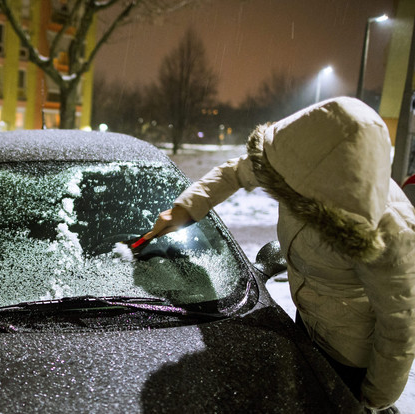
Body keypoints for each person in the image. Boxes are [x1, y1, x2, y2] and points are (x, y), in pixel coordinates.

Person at [144, 97, 415, 412]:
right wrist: (186, 208)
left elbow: (401, 325)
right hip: (307, 324)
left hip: (350, 356)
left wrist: (373, 399)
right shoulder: (296, 168)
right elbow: (234, 172)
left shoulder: (392, 232)